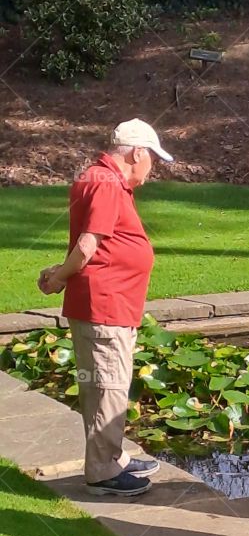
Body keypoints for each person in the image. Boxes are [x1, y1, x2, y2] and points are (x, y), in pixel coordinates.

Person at [37, 119, 173, 496]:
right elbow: (86, 246)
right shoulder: (107, 183)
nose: (152, 170)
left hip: (111, 303)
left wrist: (58, 272)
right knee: (107, 385)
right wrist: (62, 276)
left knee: (108, 381)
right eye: (153, 160)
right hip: (105, 304)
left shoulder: (101, 180)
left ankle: (113, 456)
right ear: (137, 153)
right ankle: (102, 470)